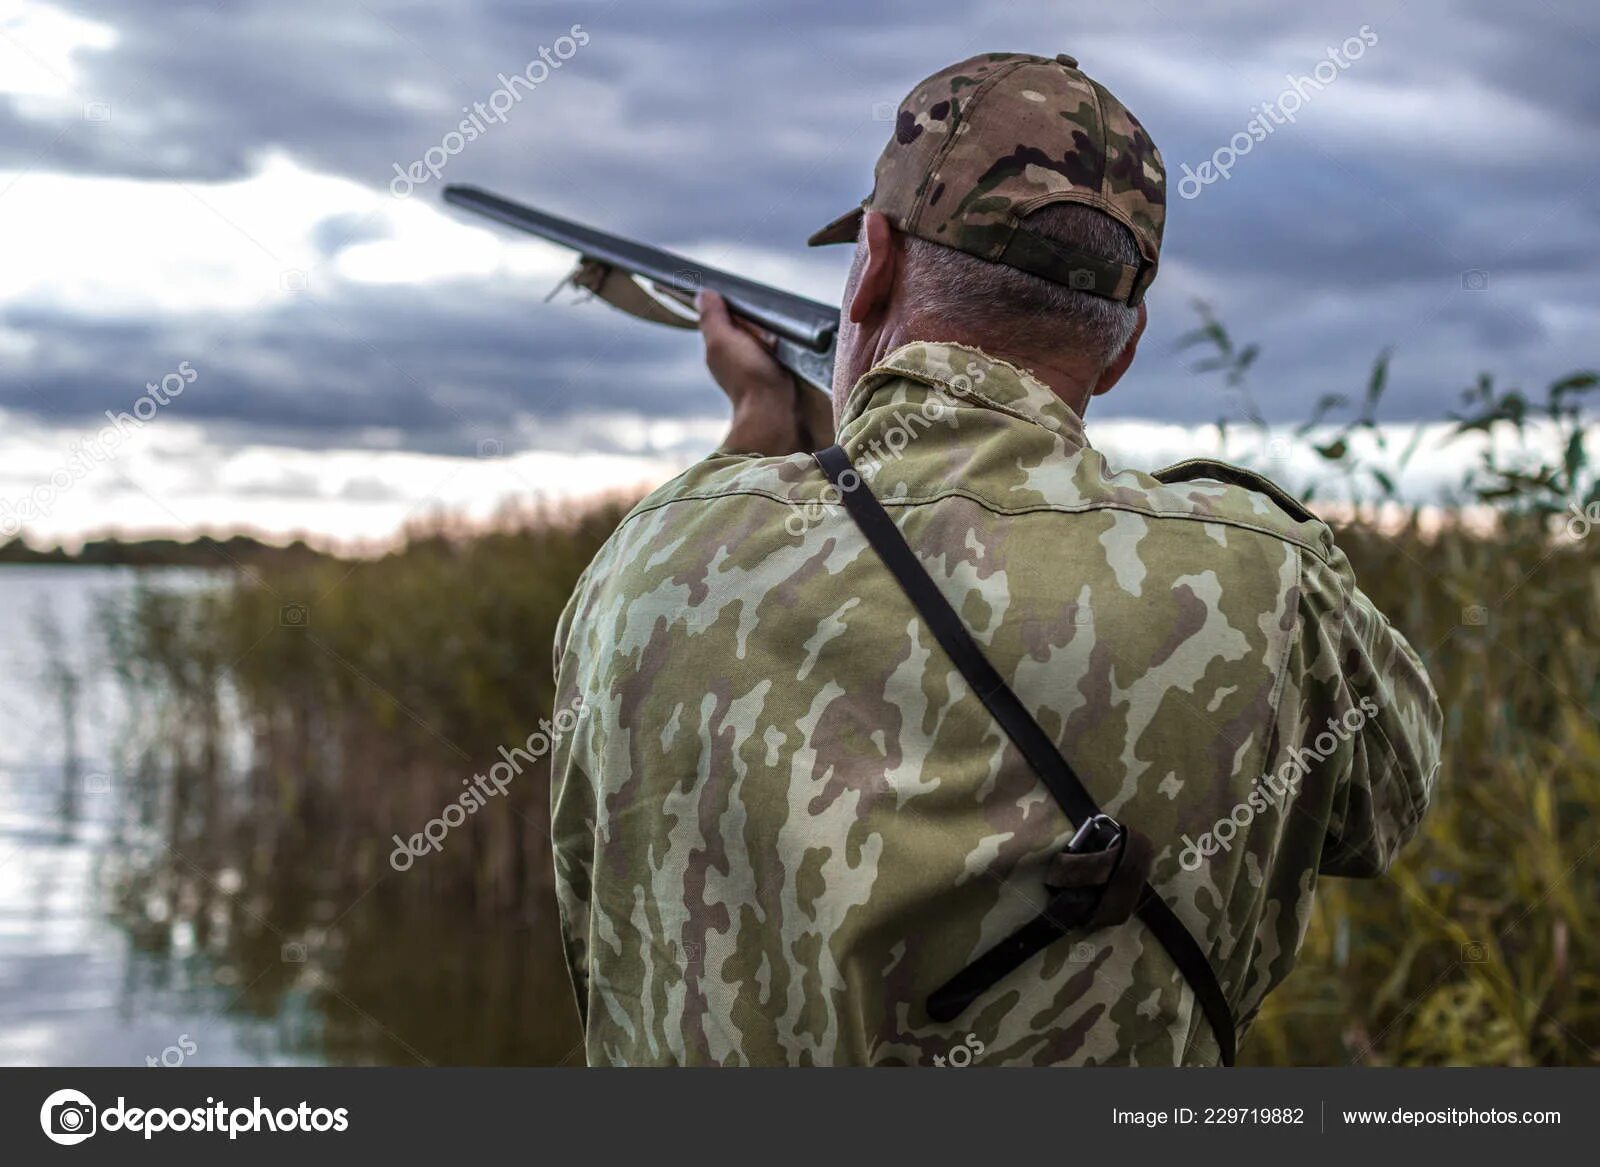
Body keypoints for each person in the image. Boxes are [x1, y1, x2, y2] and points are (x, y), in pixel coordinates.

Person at [548, 51, 1442, 1066]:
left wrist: (762, 429)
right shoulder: (1272, 586)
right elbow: (1387, 807)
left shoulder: (653, 563)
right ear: (1124, 343)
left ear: (874, 259)